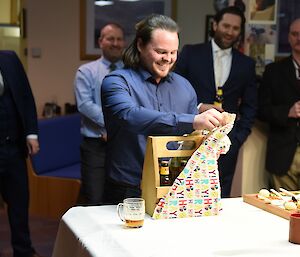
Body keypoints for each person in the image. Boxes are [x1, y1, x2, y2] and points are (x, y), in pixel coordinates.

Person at [101, 14, 225, 204]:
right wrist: (191, 121)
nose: (168, 59)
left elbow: (191, 139)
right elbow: (129, 116)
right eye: (160, 51)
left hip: (174, 186)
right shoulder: (117, 81)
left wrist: (213, 137)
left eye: (173, 52)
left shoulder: (184, 86)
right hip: (128, 186)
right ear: (140, 45)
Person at [175, 6, 257, 198]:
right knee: (186, 192)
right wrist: (199, 108)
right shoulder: (191, 53)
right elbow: (175, 91)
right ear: (215, 25)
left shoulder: (246, 64)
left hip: (227, 141)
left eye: (235, 28)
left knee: (222, 192)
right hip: (191, 136)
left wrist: (239, 137)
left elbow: (251, 105)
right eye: (226, 26)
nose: (230, 32)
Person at [74, 23, 125, 205]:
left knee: (119, 199)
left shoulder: (131, 72)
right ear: (100, 41)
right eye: (110, 38)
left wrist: (118, 129)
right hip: (96, 146)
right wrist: (111, 125)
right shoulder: (86, 71)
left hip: (124, 145)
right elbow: (85, 105)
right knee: (94, 199)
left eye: (119, 39)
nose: (115, 43)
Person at [0, 51, 43, 257]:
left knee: (19, 204)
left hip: (12, 148)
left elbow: (25, 95)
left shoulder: (9, 59)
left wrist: (31, 133)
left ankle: (23, 251)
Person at [258, 18, 300, 191]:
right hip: (283, 155)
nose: (299, 38)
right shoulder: (273, 71)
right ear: (289, 38)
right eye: (295, 34)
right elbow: (260, 110)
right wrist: (287, 112)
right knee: (284, 212)